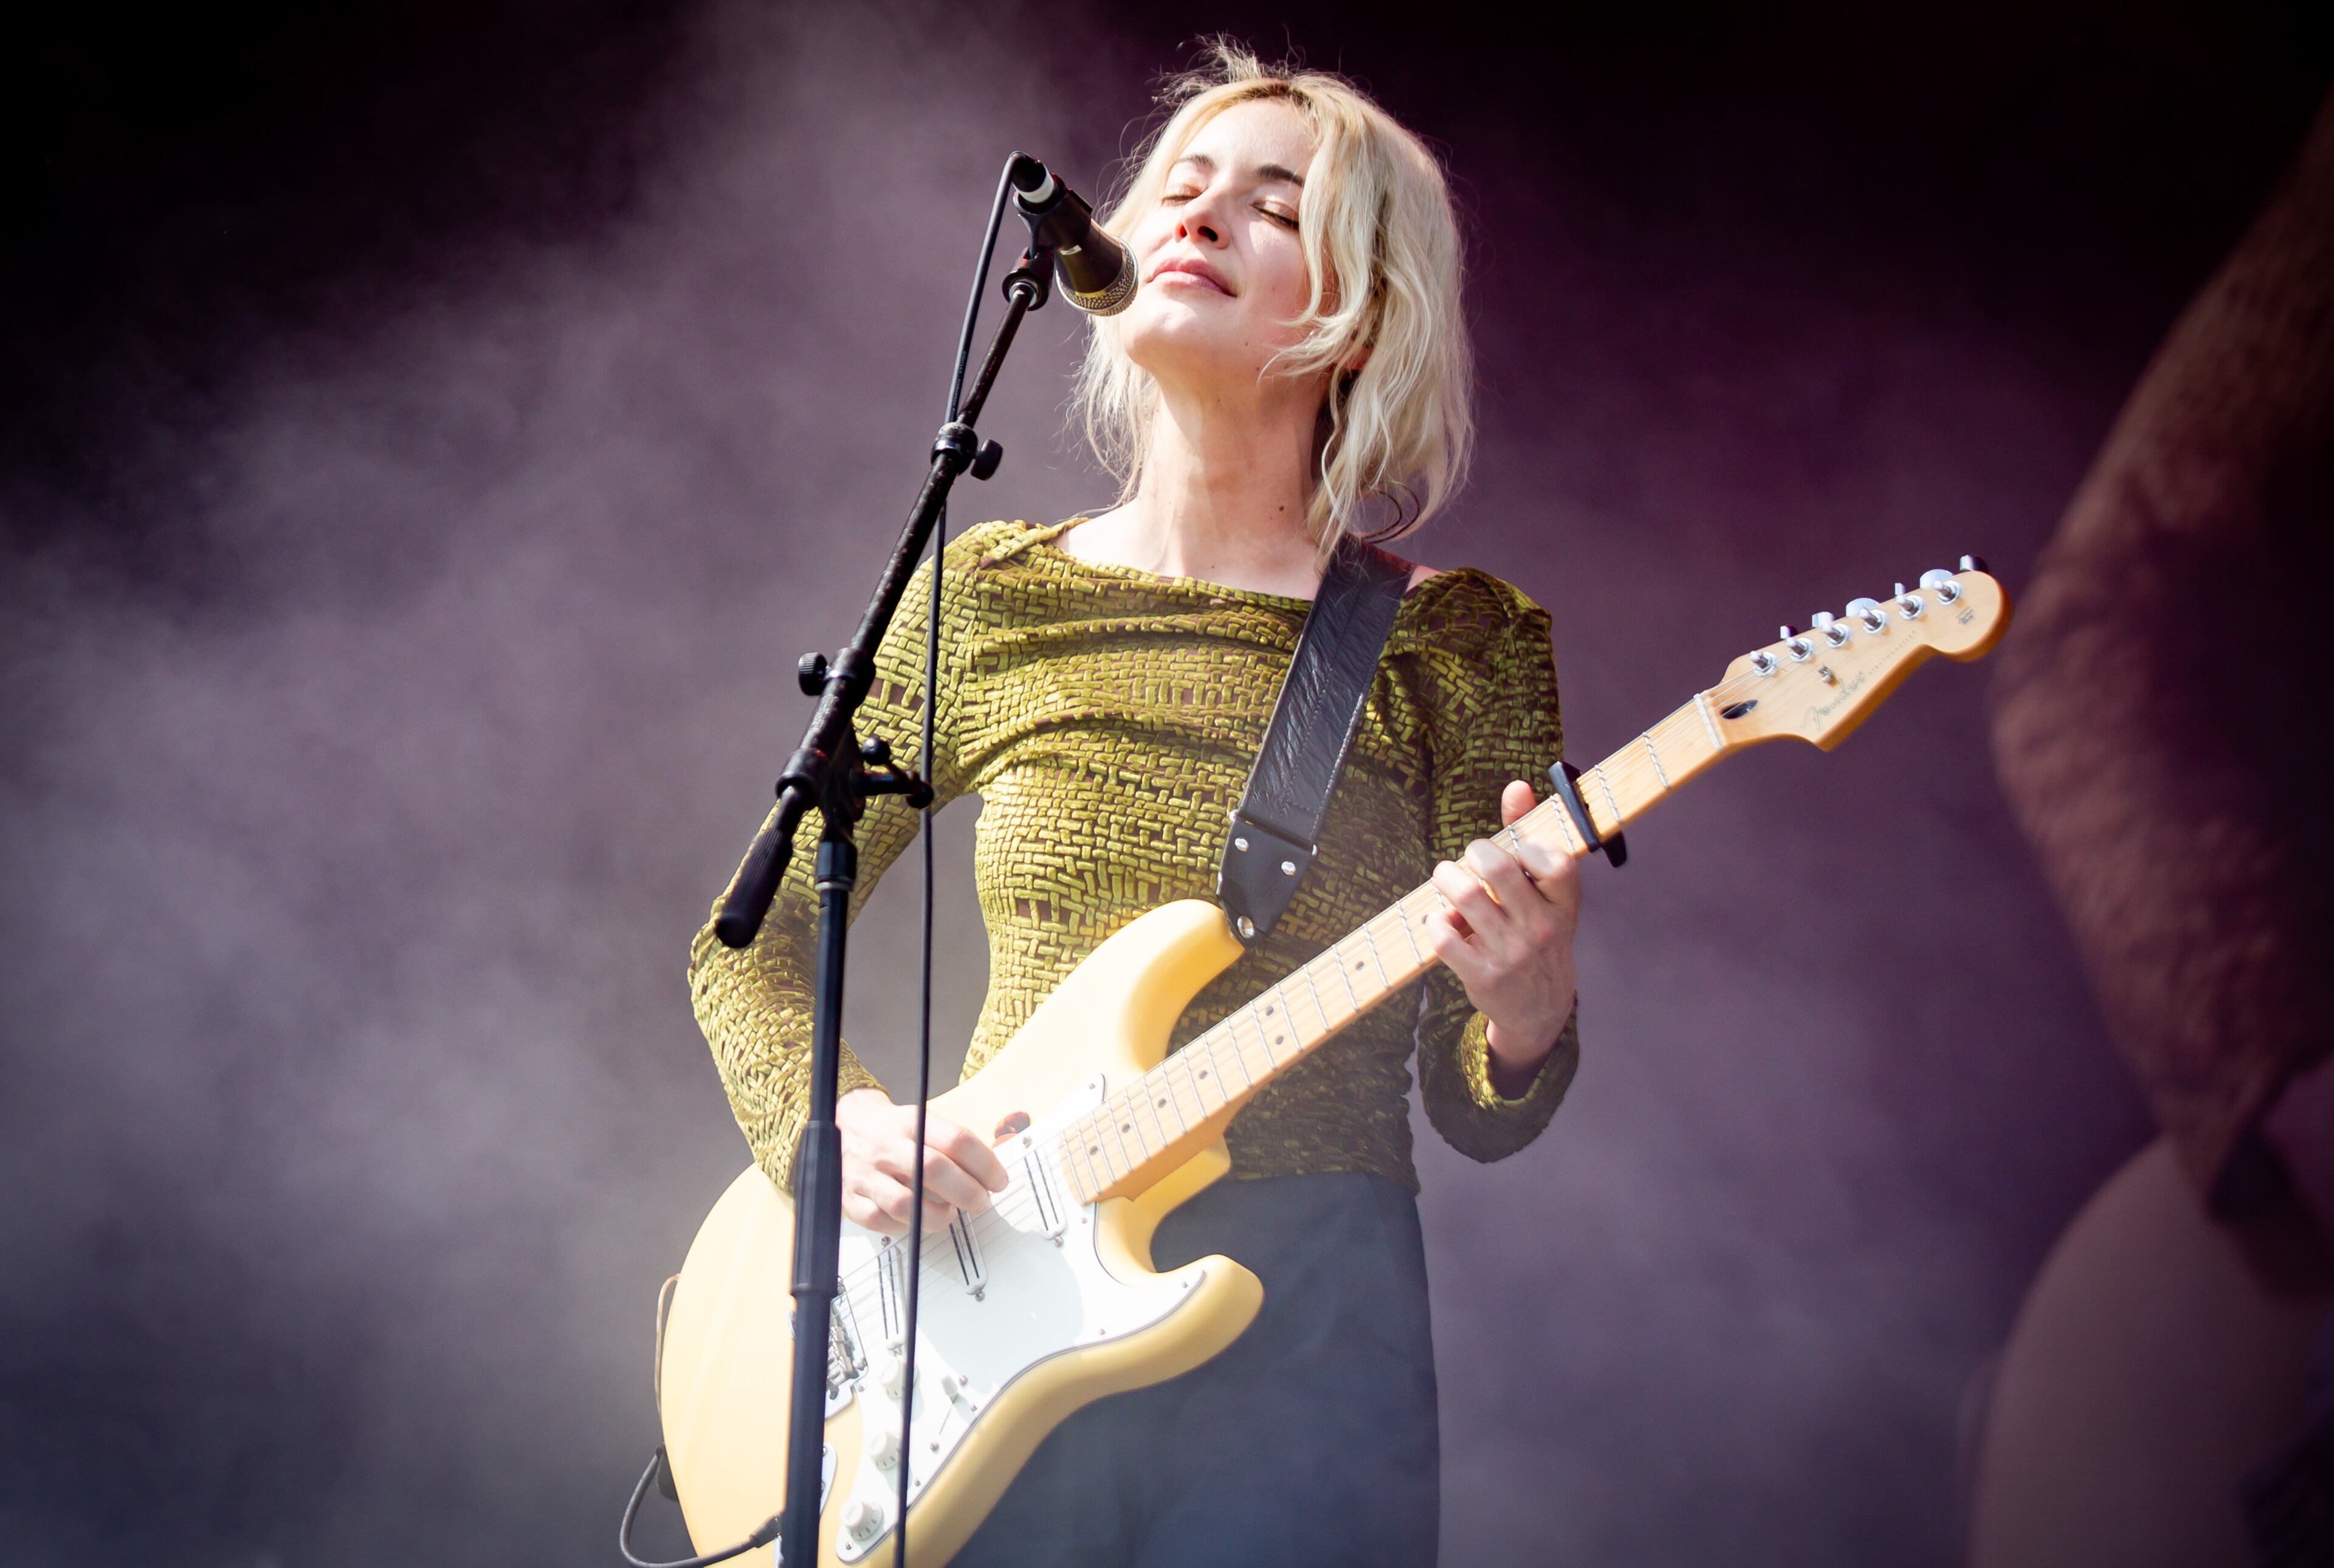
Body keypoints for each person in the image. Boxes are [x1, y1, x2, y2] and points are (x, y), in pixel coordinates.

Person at [689, 43, 1583, 1566]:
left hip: (1306, 1321)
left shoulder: (1460, 640)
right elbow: (744, 945)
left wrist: (1531, 1005)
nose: (1200, 216)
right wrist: (843, 1136)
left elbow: (1474, 1102)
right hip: (984, 1284)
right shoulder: (992, 595)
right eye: (1180, 186)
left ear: (1364, 307)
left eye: (1274, 204)